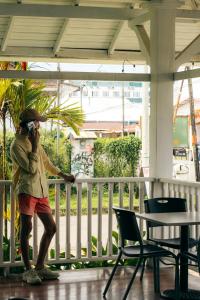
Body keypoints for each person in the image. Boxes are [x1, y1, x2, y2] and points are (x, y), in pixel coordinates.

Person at [10, 108, 75, 285]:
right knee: (26, 229)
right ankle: (28, 270)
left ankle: (39, 267)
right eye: (36, 122)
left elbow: (46, 164)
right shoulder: (17, 145)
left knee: (51, 227)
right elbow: (30, 169)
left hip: (41, 192)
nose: (39, 125)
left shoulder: (36, 142)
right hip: (26, 191)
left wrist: (63, 175)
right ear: (28, 125)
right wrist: (35, 145)